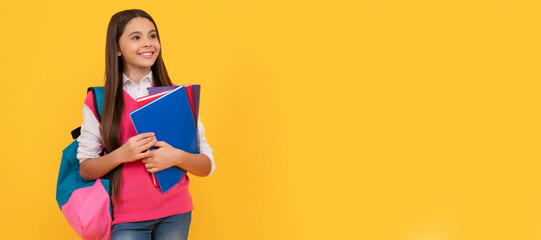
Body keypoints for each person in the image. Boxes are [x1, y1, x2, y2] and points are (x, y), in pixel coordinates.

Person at [76, 9, 215, 240]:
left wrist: (176, 157)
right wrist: (121, 154)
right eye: (136, 37)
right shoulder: (99, 101)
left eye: (152, 36)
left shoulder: (178, 96)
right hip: (126, 218)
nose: (148, 43)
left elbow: (207, 165)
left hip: (176, 213)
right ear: (117, 49)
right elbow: (85, 170)